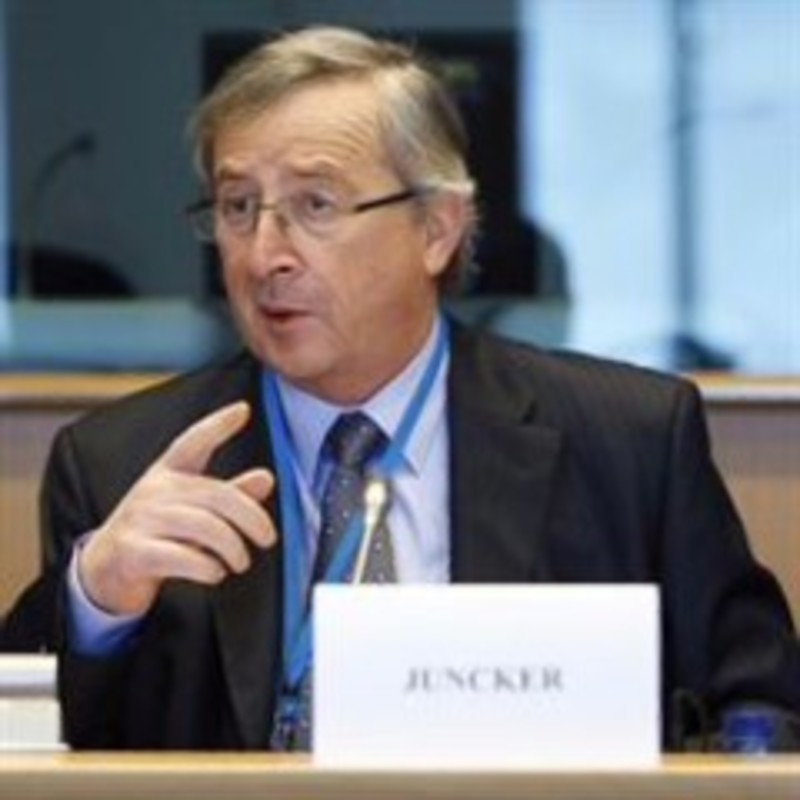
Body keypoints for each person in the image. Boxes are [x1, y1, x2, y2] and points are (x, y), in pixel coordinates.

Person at [25, 26, 800, 751]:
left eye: (315, 205)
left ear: (437, 228)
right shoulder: (121, 464)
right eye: (238, 208)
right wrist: (97, 600)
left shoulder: (628, 444)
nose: (264, 256)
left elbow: (764, 719)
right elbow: (27, 736)